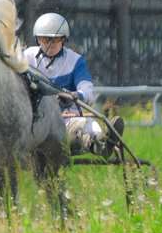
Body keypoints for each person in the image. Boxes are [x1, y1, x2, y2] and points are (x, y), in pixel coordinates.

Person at [23, 12, 124, 157]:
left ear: (63, 39)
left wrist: (76, 95)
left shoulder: (75, 61)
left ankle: (101, 144)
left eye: (55, 39)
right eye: (45, 39)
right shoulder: (26, 57)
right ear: (38, 39)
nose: (50, 44)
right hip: (34, 119)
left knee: (86, 123)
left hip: (66, 118)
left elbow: (87, 90)